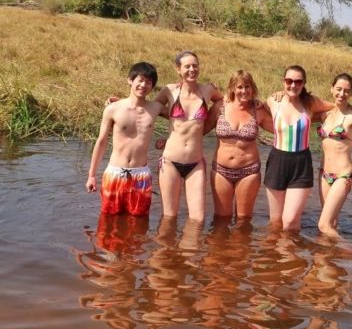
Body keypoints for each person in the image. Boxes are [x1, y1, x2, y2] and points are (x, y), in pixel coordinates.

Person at [263, 65, 352, 232]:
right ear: (283, 82)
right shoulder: (273, 100)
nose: (293, 85)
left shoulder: (310, 103)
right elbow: (258, 110)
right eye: (289, 81)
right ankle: (278, 256)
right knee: (275, 222)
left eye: (298, 82)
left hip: (301, 164)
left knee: (290, 222)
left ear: (303, 84)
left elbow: (337, 105)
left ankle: (292, 255)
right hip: (276, 162)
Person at [86, 62, 166, 216]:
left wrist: (168, 140)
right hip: (115, 173)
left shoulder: (155, 108)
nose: (143, 85)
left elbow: (182, 119)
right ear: (130, 80)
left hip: (141, 175)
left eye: (148, 82)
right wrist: (91, 175)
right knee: (108, 219)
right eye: (140, 80)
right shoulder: (113, 109)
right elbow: (101, 142)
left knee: (139, 221)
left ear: (152, 86)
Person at [154, 50, 222, 222]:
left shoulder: (208, 90)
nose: (192, 69)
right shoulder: (169, 90)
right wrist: (122, 102)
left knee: (197, 219)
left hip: (196, 163)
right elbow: (149, 108)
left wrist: (206, 127)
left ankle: (189, 249)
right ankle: (168, 250)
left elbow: (224, 101)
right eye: (187, 66)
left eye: (195, 65)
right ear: (178, 69)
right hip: (170, 161)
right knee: (169, 218)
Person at [204, 70, 273, 220]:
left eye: (247, 87)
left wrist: (269, 105)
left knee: (243, 221)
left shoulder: (258, 111)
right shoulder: (219, 107)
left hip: (249, 172)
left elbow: (281, 129)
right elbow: (200, 130)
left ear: (252, 88)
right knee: (221, 219)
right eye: (239, 87)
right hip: (221, 171)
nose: (244, 91)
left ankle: (241, 244)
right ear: (232, 88)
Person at [316, 73, 352, 237]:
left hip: (343, 176)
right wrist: (281, 94)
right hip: (324, 175)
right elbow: (301, 104)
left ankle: (349, 253)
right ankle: (328, 261)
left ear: (351, 93)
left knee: (323, 225)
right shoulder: (325, 113)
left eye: (346, 91)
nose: (342, 94)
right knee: (332, 223)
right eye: (338, 89)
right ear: (332, 89)